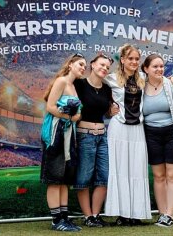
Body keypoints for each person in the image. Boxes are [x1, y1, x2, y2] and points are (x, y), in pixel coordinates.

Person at [104, 44, 151, 225]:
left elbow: (161, 79)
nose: (134, 62)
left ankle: (136, 213)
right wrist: (108, 108)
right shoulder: (111, 79)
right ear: (122, 60)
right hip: (118, 128)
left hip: (138, 129)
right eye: (130, 58)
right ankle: (122, 214)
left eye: (136, 59)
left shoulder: (144, 79)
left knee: (137, 170)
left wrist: (172, 79)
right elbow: (93, 88)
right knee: (120, 170)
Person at [141, 54, 173, 227]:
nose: (159, 69)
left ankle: (170, 215)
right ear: (146, 69)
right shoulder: (140, 86)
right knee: (158, 176)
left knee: (172, 175)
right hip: (150, 134)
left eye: (161, 66)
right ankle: (162, 214)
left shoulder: (172, 84)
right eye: (155, 66)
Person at [40, 54, 86, 232]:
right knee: (55, 178)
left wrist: (75, 117)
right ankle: (56, 220)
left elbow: (79, 113)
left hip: (69, 133)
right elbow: (50, 106)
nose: (83, 67)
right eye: (80, 64)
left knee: (65, 178)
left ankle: (64, 218)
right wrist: (68, 117)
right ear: (71, 64)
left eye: (85, 66)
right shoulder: (61, 81)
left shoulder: (74, 87)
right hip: (56, 133)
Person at [73, 53, 117, 227]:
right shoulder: (80, 84)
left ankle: (95, 214)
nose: (104, 68)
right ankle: (87, 216)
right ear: (92, 64)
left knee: (104, 178)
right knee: (83, 178)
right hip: (84, 136)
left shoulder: (107, 89)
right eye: (101, 64)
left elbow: (105, 112)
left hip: (102, 136)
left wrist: (111, 112)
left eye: (107, 66)